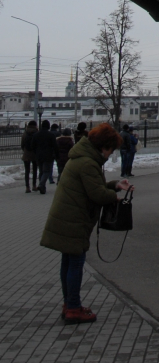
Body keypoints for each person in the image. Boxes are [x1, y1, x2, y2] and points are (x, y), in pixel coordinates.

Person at [39, 123, 134, 324]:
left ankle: (70, 304)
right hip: (74, 220)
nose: (110, 154)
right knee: (75, 264)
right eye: (111, 150)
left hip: (68, 217)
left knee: (68, 262)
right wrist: (114, 197)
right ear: (104, 146)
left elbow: (93, 186)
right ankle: (73, 308)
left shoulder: (83, 158)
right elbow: (97, 193)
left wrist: (115, 185)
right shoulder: (88, 163)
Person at [31, 120, 58, 195]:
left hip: (39, 156)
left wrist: (36, 153)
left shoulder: (36, 135)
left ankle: (42, 188)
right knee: (46, 171)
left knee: (41, 171)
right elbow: (55, 146)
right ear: (48, 126)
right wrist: (56, 155)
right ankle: (41, 185)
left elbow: (32, 146)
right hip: (48, 156)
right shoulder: (51, 135)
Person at [21, 120, 39, 193]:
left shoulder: (25, 133)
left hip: (26, 154)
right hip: (35, 154)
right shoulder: (37, 133)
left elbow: (22, 144)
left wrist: (25, 151)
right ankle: (34, 185)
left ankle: (27, 187)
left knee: (27, 171)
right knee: (35, 170)